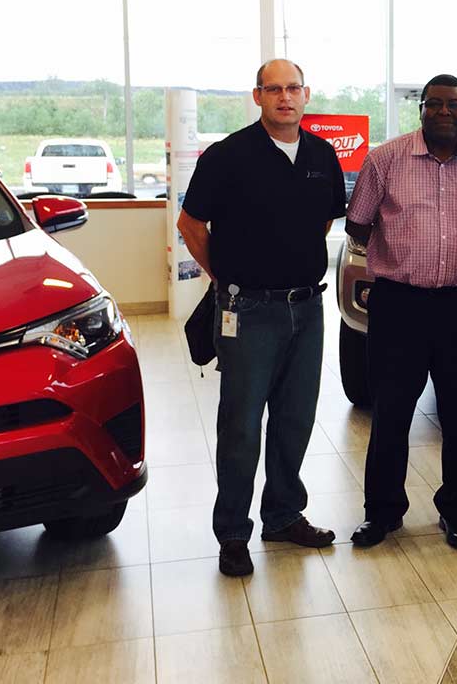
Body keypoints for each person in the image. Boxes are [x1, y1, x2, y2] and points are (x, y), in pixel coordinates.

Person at [177, 59, 346, 577]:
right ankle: (232, 532)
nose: (285, 98)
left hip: (307, 308)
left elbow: (322, 221)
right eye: (273, 89)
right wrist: (226, 277)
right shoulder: (228, 156)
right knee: (242, 426)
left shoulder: (320, 155)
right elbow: (191, 224)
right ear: (257, 97)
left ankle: (282, 515)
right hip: (247, 311)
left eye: (293, 88)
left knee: (295, 419)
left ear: (306, 94)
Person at [343, 73, 457, 550]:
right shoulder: (385, 159)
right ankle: (382, 513)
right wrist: (401, 258)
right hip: (400, 306)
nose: (444, 112)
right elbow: (358, 224)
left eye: (454, 105)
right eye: (435, 104)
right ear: (421, 109)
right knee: (389, 413)